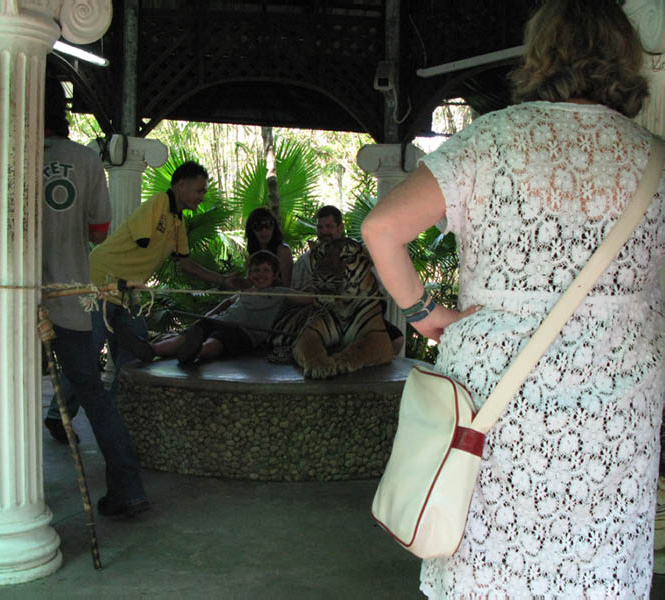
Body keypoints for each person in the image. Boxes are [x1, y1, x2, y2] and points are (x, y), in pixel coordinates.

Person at [362, 1, 663, 596]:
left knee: (490, 562)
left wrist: (426, 315)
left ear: (541, 54)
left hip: (496, 400)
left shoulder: (490, 139)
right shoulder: (655, 158)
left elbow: (381, 229)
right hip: (618, 406)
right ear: (624, 60)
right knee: (594, 565)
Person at [40, 77, 149, 518]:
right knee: (93, 393)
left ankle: (14, 500)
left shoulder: (9, 152)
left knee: (2, 391)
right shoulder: (85, 159)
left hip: (11, 299)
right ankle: (128, 488)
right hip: (68, 297)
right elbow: (98, 232)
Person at [88, 160, 243, 388]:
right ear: (180, 185)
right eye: (199, 190)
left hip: (128, 290)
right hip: (101, 281)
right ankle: (57, 414)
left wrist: (222, 280)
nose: (202, 197)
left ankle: (117, 407)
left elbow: (186, 264)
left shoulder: (178, 221)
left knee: (135, 352)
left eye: (204, 192)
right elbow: (143, 241)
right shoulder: (160, 201)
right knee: (89, 352)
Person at [147, 250, 312, 365]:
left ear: (275, 274)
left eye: (265, 270)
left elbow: (305, 299)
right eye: (255, 270)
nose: (260, 274)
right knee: (185, 336)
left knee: (217, 342)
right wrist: (205, 317)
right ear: (249, 274)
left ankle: (194, 353)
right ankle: (151, 349)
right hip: (219, 320)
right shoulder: (245, 292)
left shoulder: (279, 292)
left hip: (244, 332)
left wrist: (321, 293)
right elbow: (226, 303)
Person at [293, 205, 404, 353]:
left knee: (396, 339)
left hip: (357, 313)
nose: (324, 231)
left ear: (340, 227)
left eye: (329, 226)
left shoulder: (358, 253)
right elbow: (296, 291)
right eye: (320, 227)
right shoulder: (306, 259)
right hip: (321, 315)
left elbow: (379, 288)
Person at [244, 207, 293, 285]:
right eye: (258, 227)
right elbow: (251, 283)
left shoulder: (283, 250)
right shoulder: (253, 251)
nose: (264, 231)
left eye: (268, 225)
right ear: (252, 230)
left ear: (274, 227)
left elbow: (287, 284)